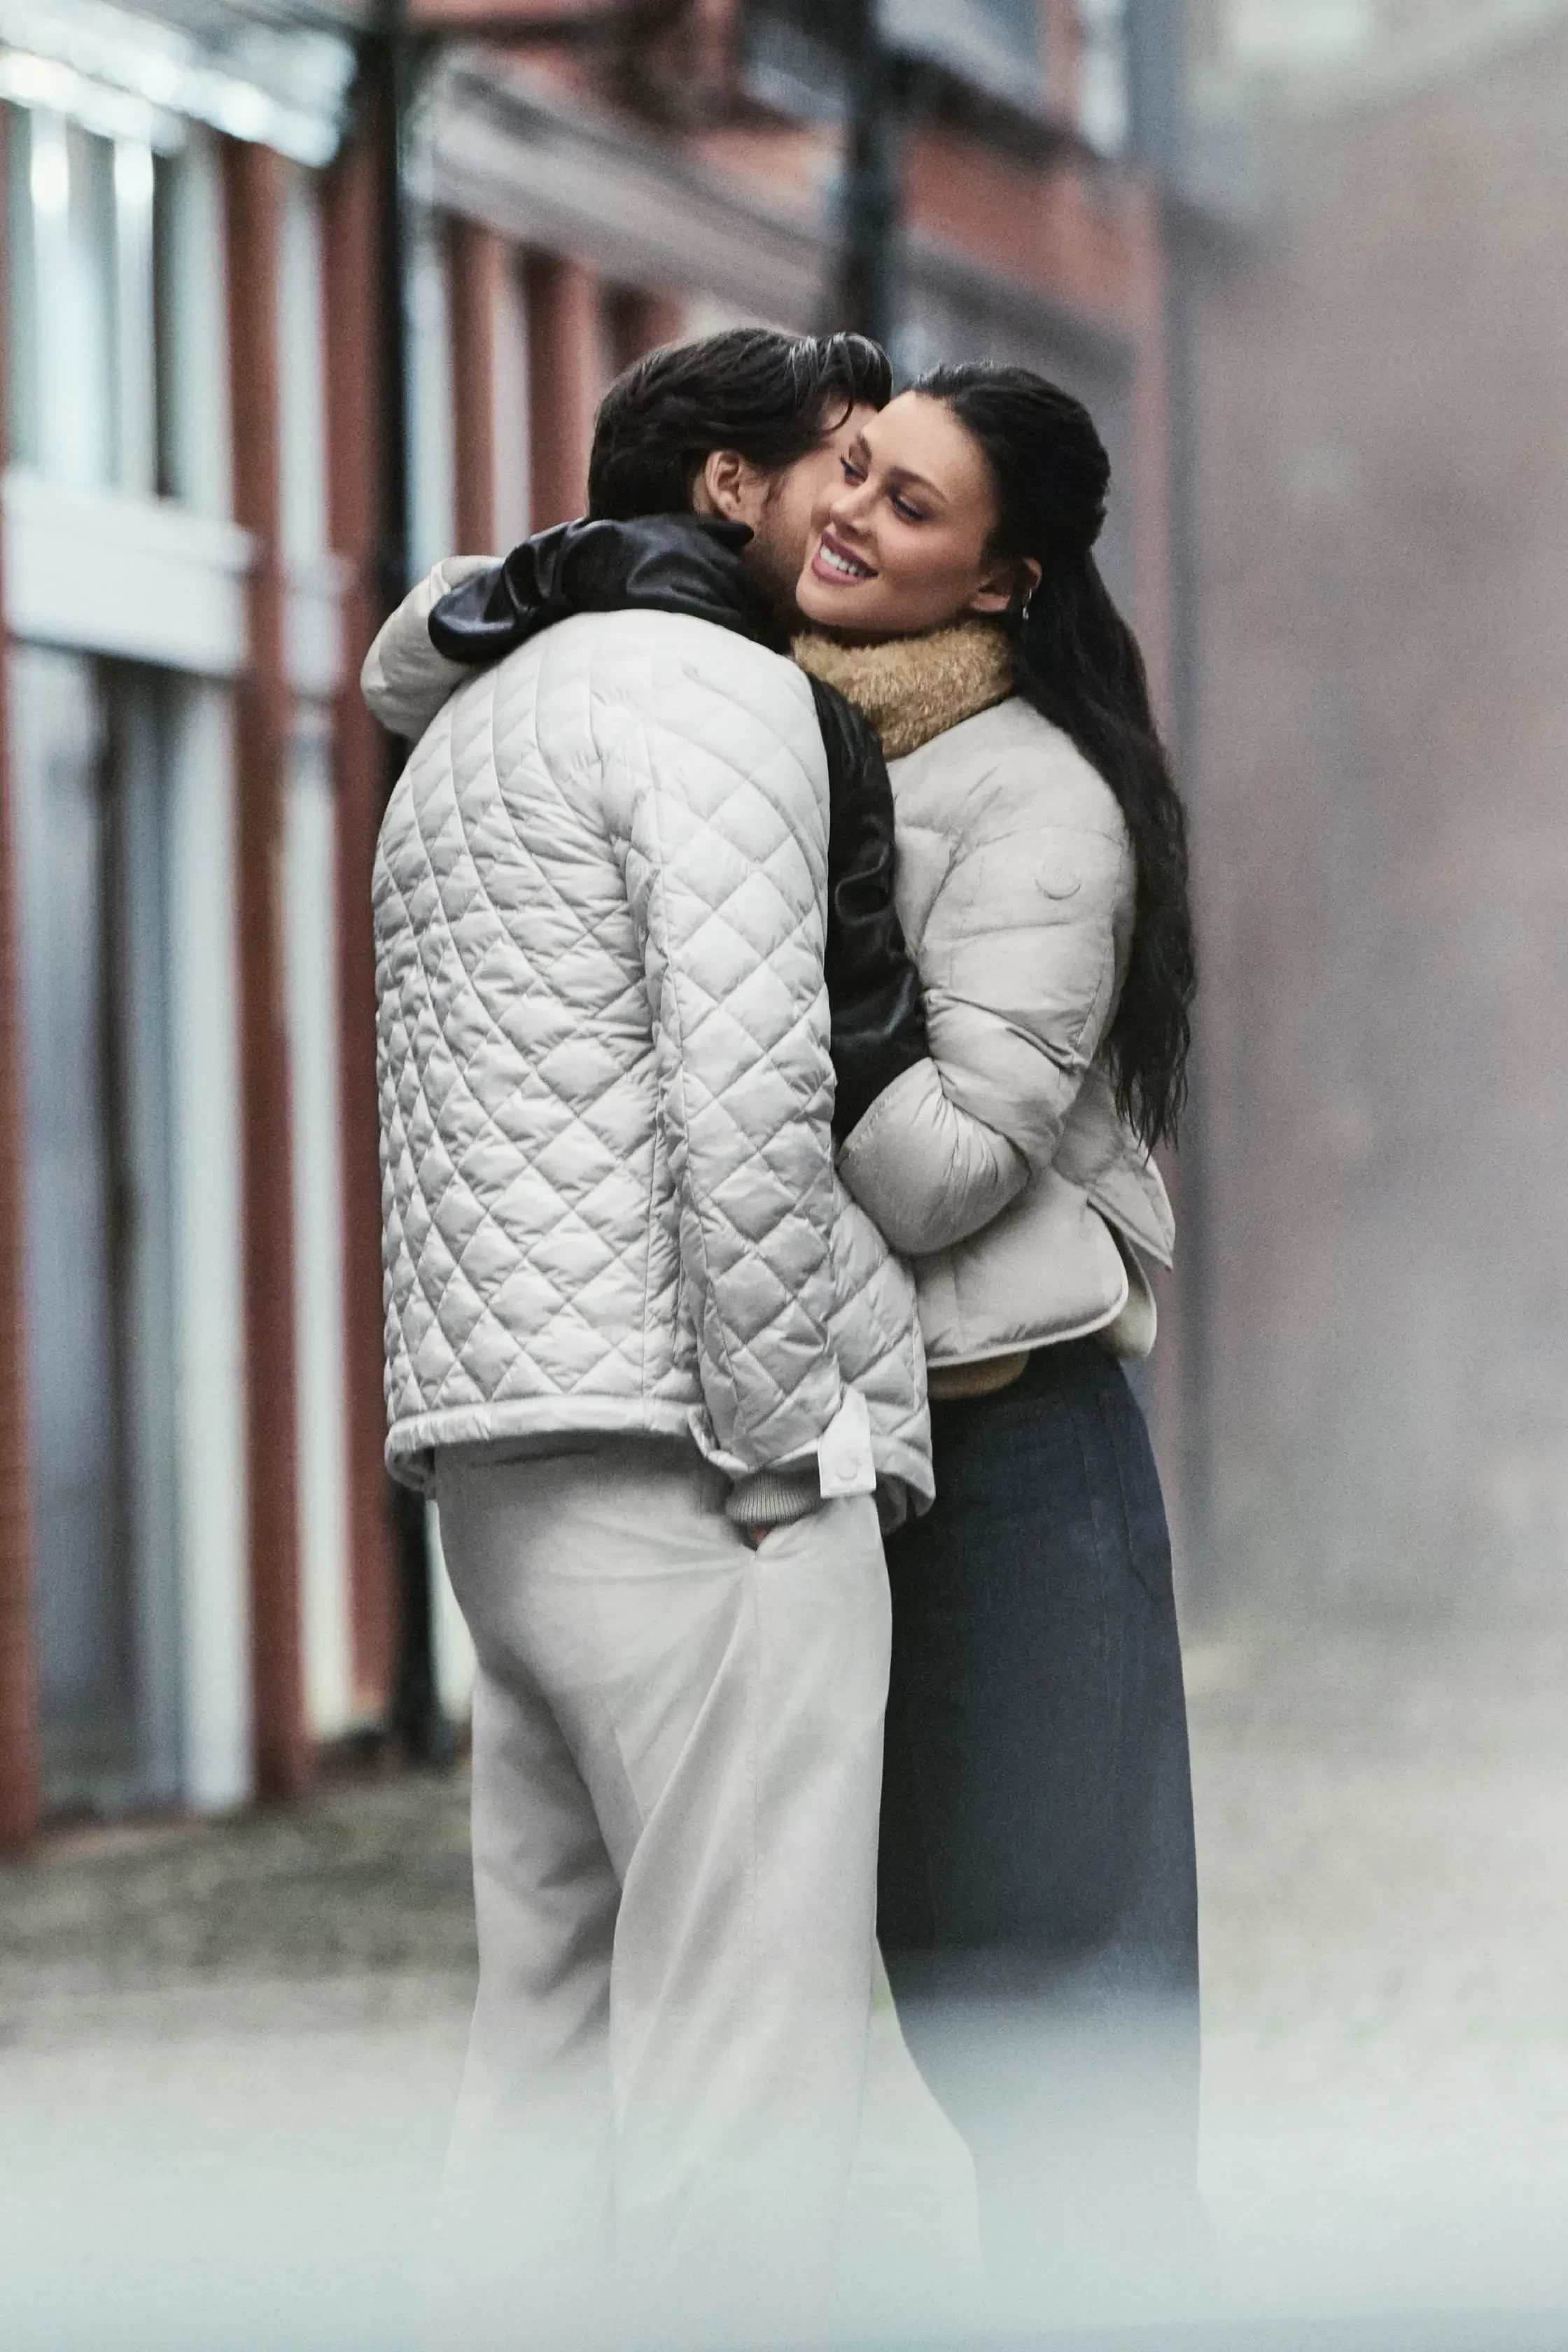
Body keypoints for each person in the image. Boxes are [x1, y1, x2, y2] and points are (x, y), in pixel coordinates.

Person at [364, 328, 932, 2346]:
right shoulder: (720, 701)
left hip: (503, 1466)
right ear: (726, 485)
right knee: (744, 2075)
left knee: (544, 2048)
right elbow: (750, 1097)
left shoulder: (471, 729)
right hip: (702, 1470)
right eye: (836, 465)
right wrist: (786, 1451)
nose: (858, 507)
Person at [790, 364, 1204, 2325]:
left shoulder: (1041, 803)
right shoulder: (783, 706)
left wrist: (846, 946)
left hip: (1022, 1463)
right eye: (855, 466)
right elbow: (404, 675)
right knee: (945, 1971)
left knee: (1058, 2014)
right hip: (867, 1454)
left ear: (1001, 580)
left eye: (912, 506)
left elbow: (950, 1171)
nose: (850, 513)